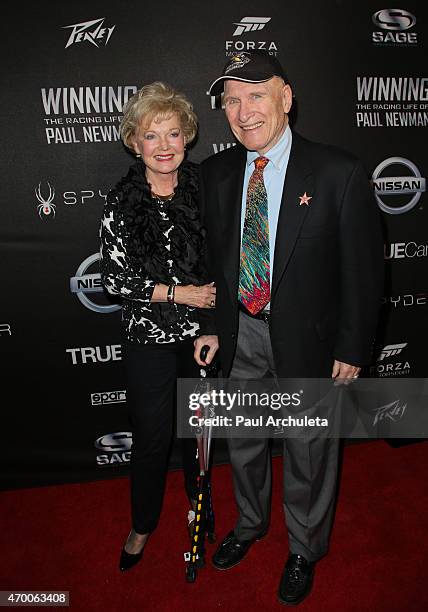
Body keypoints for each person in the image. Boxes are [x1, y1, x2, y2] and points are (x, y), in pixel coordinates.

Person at [194, 51, 384, 605]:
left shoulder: (338, 171)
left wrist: (352, 344)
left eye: (256, 94)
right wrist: (211, 323)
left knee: (308, 449)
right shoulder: (216, 173)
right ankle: (250, 524)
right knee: (246, 443)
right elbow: (211, 262)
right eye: (231, 98)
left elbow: (364, 270)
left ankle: (304, 547)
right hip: (242, 334)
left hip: (313, 340)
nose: (243, 110)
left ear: (286, 98)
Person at [100, 81, 216, 572]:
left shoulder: (207, 189)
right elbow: (113, 279)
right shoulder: (119, 202)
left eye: (173, 134)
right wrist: (177, 293)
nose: (164, 146)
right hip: (147, 337)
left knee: (196, 434)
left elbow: (220, 264)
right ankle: (143, 523)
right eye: (152, 135)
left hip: (198, 336)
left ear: (187, 137)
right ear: (134, 141)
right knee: (151, 438)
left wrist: (209, 324)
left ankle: (200, 505)